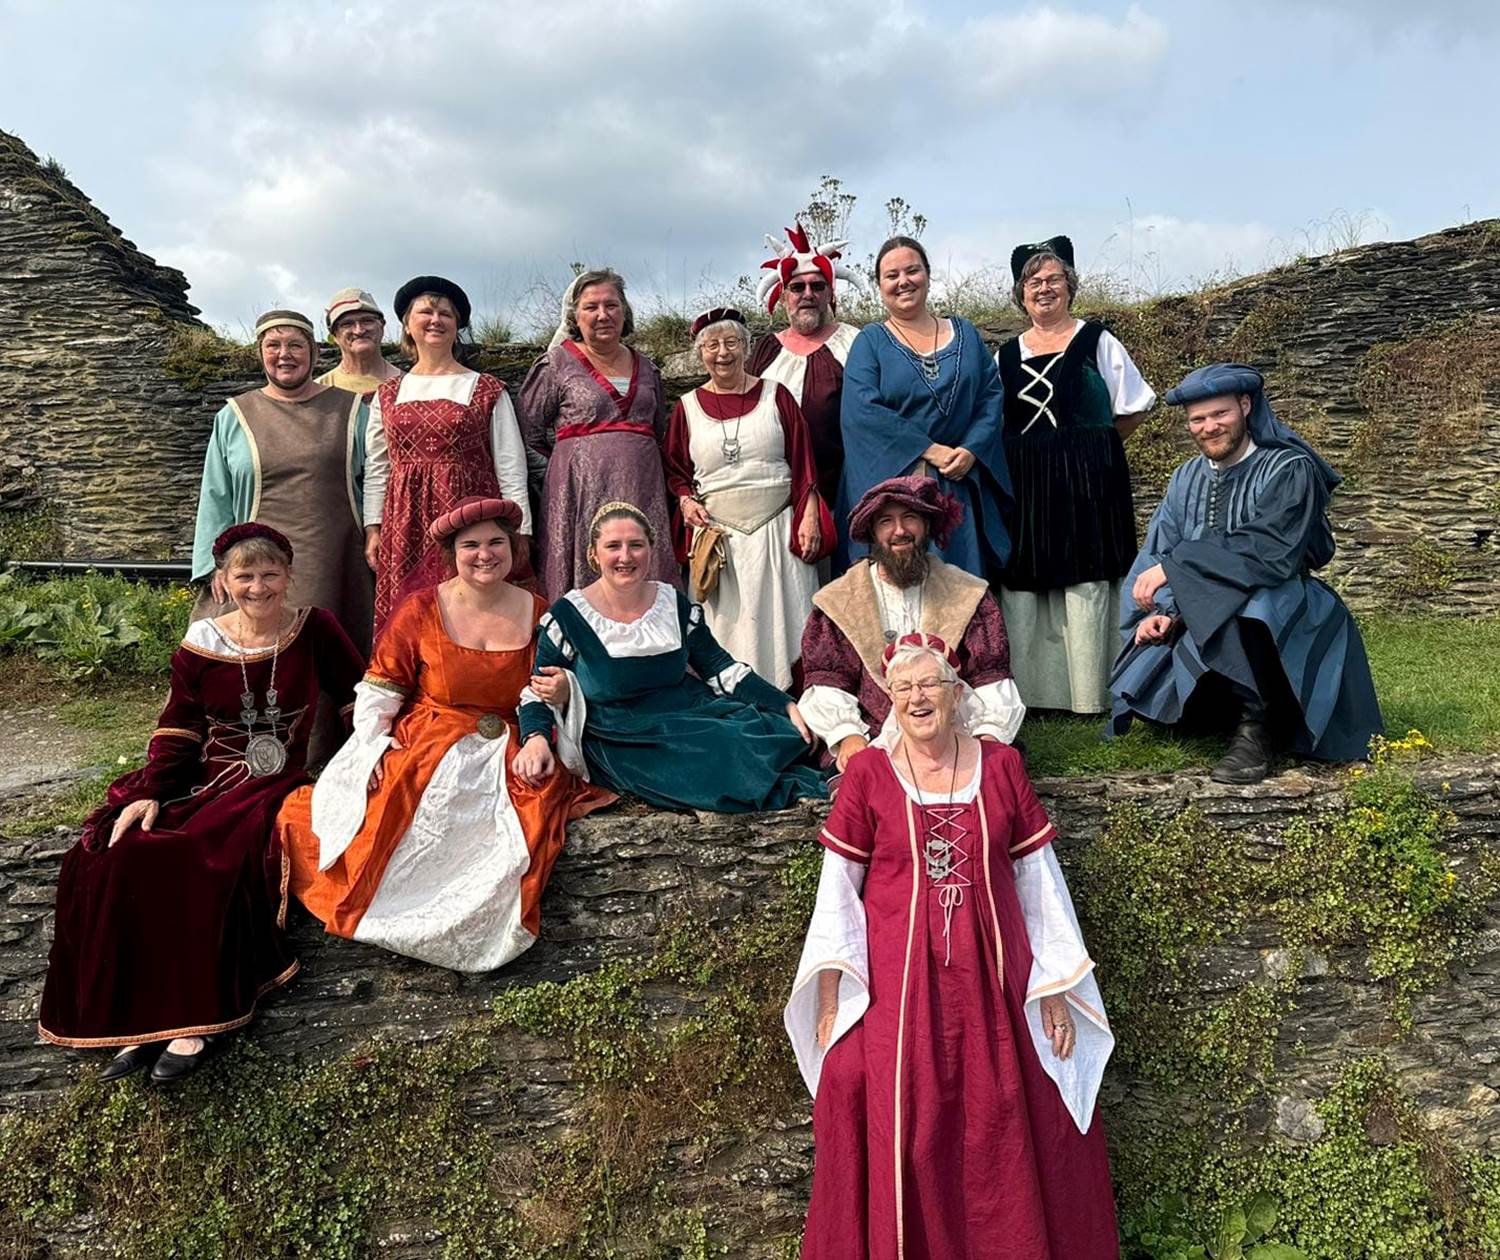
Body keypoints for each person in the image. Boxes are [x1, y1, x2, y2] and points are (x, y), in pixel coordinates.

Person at [785, 635, 1118, 1258]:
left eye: (930, 684)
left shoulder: (1001, 768)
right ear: (888, 701)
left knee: (1022, 1106)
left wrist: (1054, 986)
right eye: (904, 688)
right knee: (887, 1107)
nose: (917, 697)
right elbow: (838, 892)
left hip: (996, 980)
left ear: (957, 694)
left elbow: (1039, 882)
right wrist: (830, 990)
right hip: (899, 987)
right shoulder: (867, 776)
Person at [38, 525, 364, 1082]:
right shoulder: (201, 646)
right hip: (205, 781)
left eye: (269, 574)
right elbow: (179, 730)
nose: (257, 587)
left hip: (274, 783)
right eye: (244, 576)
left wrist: (368, 768)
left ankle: (198, 1023)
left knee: (214, 859)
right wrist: (146, 794)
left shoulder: (315, 629)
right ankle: (146, 1020)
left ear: (288, 577)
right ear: (222, 582)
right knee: (121, 851)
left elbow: (359, 699)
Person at [277, 497, 613, 971]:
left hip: (511, 744)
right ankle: (395, 915)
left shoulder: (540, 612)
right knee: (396, 811)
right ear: (452, 553)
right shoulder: (420, 609)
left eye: (497, 542)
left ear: (513, 549)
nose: (485, 554)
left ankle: (473, 928)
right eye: (471, 545)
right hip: (428, 739)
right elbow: (380, 690)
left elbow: (551, 688)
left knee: (526, 814)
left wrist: (552, 710)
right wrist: (370, 749)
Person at [1111, 363, 1384, 783]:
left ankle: (1257, 728)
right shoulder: (1185, 477)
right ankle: (1220, 712)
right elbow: (1158, 550)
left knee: (1251, 603)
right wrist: (1160, 610)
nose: (1208, 427)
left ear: (1244, 406)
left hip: (1280, 609)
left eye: (1219, 414)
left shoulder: (1289, 468)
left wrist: (1177, 567)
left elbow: (1269, 551)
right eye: (1197, 419)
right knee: (1172, 659)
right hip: (1200, 609)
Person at [519, 502, 827, 813]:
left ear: (650, 549)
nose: (625, 557)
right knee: (720, 757)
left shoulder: (672, 603)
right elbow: (535, 691)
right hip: (624, 737)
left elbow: (720, 669)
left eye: (636, 545)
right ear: (594, 554)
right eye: (613, 546)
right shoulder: (569, 616)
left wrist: (784, 704)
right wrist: (536, 738)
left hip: (689, 712)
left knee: (782, 733)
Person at [191, 308, 372, 764]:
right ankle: (247, 755)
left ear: (314, 352)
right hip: (253, 561)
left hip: (335, 556)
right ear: (261, 353)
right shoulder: (236, 415)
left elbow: (376, 480)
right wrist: (217, 561)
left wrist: (378, 535)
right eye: (274, 345)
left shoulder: (350, 410)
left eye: (295, 345)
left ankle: (328, 757)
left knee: (328, 653)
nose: (284, 354)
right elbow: (216, 490)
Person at [996, 236, 1157, 714]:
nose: (1044, 288)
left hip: (1089, 482)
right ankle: (1037, 694)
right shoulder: (1005, 356)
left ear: (1070, 286)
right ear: (1020, 293)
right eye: (1033, 282)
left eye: (1053, 280)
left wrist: (1094, 445)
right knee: (1029, 577)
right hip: (1026, 483)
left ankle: (1091, 692)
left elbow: (1132, 408)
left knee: (1087, 574)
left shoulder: (1098, 340)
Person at [800, 476, 1024, 769]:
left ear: (927, 527)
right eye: (886, 522)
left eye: (910, 518)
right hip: (872, 735)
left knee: (989, 780)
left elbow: (989, 678)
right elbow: (828, 681)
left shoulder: (967, 593)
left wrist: (987, 735)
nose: (900, 531)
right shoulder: (840, 601)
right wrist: (848, 736)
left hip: (955, 731)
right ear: (872, 533)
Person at [665, 307, 831, 689]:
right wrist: (687, 501)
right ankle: (734, 713)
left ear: (747, 346)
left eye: (731, 342)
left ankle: (795, 714)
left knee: (789, 626)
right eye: (711, 345)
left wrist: (808, 517)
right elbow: (676, 471)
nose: (722, 352)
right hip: (721, 542)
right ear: (700, 353)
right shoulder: (686, 407)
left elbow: (804, 463)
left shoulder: (777, 396)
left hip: (776, 532)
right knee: (727, 634)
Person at [836, 236, 1013, 584]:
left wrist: (971, 450)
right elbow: (862, 412)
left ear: (928, 276)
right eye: (891, 275)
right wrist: (930, 451)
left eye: (912, 270)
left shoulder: (965, 334)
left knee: (961, 591)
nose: (903, 281)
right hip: (898, 492)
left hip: (958, 481)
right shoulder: (870, 342)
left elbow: (991, 397)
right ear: (880, 286)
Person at [363, 275, 532, 633]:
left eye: (446, 314)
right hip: (405, 521)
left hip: (468, 517)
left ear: (457, 327)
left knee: (470, 608)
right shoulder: (388, 393)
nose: (436, 320)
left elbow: (510, 464)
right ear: (407, 325)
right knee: (409, 613)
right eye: (425, 312)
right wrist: (373, 528)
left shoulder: (485, 388)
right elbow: (378, 467)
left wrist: (521, 531)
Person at [517, 269, 678, 601]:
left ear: (625, 311)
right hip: (578, 495)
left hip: (642, 490)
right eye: (591, 307)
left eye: (612, 305)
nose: (603, 315)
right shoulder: (556, 365)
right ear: (576, 315)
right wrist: (564, 471)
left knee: (644, 573)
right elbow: (526, 432)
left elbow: (658, 431)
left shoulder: (647, 368)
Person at [747, 223, 861, 508]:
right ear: (784, 296)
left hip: (841, 493)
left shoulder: (853, 341)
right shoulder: (765, 350)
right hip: (774, 495)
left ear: (829, 293)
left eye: (817, 286)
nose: (807, 294)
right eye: (797, 287)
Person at [317, 287, 402, 398]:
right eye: (347, 324)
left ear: (382, 326)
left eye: (367, 321)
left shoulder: (410, 385)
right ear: (335, 336)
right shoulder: (319, 392)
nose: (359, 330)